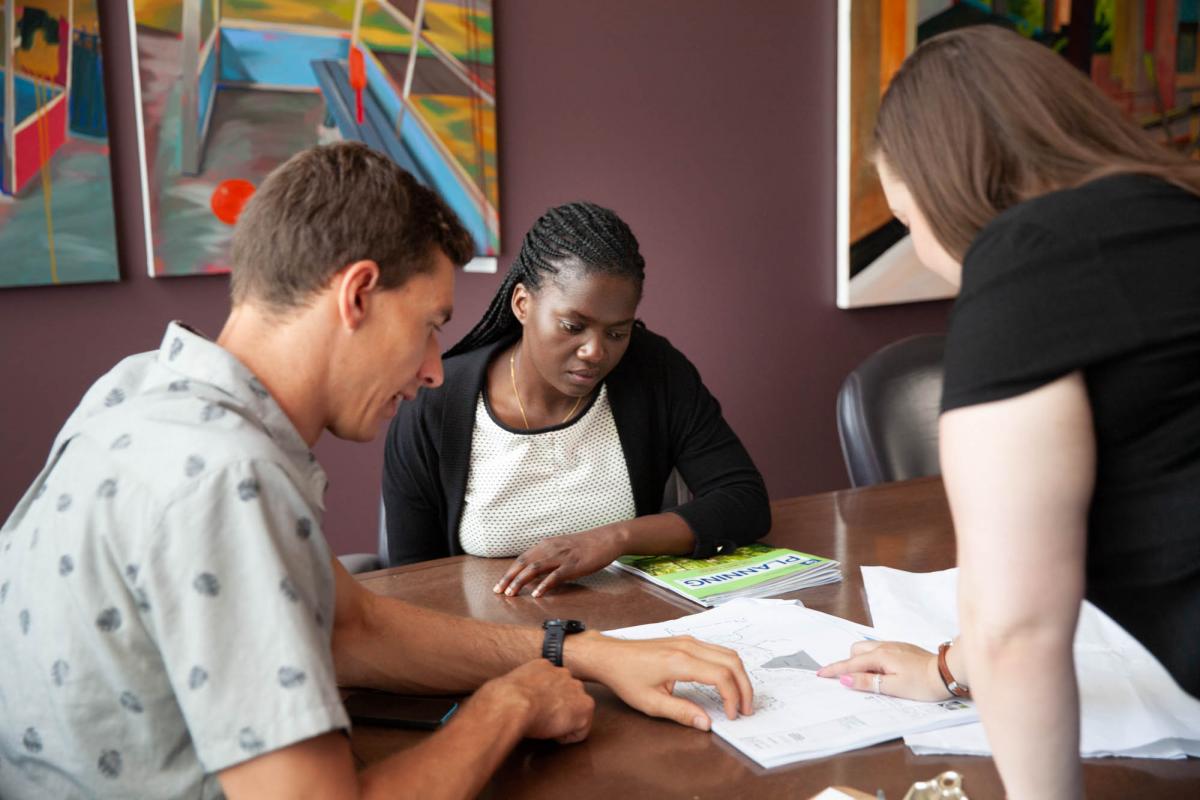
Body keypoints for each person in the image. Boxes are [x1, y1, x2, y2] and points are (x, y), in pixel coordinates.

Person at [0, 143, 755, 800]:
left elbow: (350, 626)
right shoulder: (224, 480)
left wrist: (583, 651)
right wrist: (511, 704)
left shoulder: (140, 387)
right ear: (357, 294)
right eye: (431, 325)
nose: (435, 371)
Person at [817, 24, 1200, 800]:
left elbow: (1017, 629)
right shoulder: (1178, 212)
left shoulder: (1028, 259)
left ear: (943, 184)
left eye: (906, 218)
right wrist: (950, 669)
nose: (923, 249)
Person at [383, 201, 770, 598]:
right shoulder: (436, 404)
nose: (595, 352)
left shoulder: (654, 371)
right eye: (573, 326)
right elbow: (414, 584)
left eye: (617, 333)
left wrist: (613, 539)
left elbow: (744, 500)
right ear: (522, 304)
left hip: (635, 632)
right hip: (491, 644)